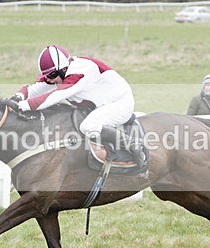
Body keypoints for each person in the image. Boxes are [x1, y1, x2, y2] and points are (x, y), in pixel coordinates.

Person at [8, 44, 144, 164]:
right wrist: (17, 97)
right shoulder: (60, 72)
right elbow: (35, 88)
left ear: (63, 69)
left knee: (88, 126)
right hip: (99, 105)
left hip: (120, 103)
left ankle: (132, 143)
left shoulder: (80, 72)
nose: (50, 80)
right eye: (47, 76)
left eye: (52, 76)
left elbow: (54, 96)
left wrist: (22, 106)